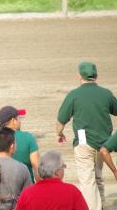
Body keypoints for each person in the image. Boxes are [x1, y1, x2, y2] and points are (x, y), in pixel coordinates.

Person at [56, 61, 117, 210]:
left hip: (83, 142)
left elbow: (61, 121)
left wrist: (60, 133)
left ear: (79, 76)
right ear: (96, 75)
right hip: (104, 143)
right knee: (97, 176)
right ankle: (100, 204)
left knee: (87, 180)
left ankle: (93, 208)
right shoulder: (106, 93)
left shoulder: (74, 95)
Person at [0, 106, 40, 183]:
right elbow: (37, 170)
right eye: (19, 118)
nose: (20, 121)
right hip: (25, 191)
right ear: (13, 120)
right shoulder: (28, 138)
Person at [16, 150, 89, 210]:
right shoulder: (72, 191)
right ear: (57, 172)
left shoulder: (27, 194)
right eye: (63, 166)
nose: (64, 169)